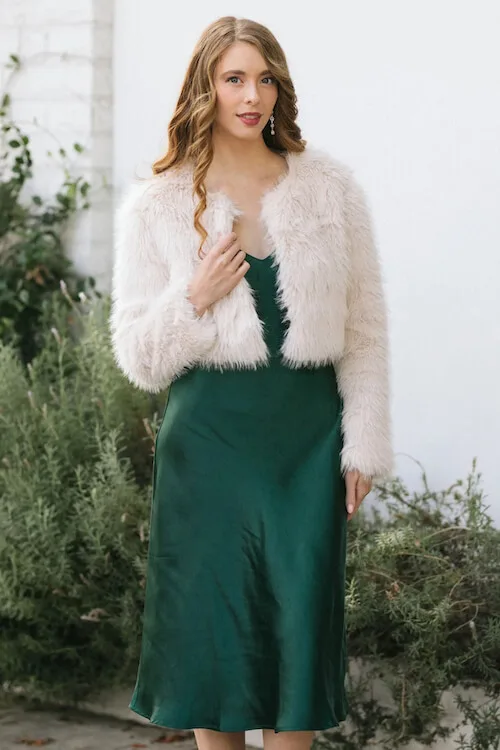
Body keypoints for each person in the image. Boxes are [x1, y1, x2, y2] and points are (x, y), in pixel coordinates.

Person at [110, 14, 392, 750]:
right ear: (205, 85)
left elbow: (364, 331)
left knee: (299, 622)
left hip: (304, 441)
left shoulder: (329, 190)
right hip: (208, 447)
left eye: (265, 78)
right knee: (216, 635)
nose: (252, 95)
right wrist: (192, 299)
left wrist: (363, 443)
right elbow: (139, 356)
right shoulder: (161, 203)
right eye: (235, 77)